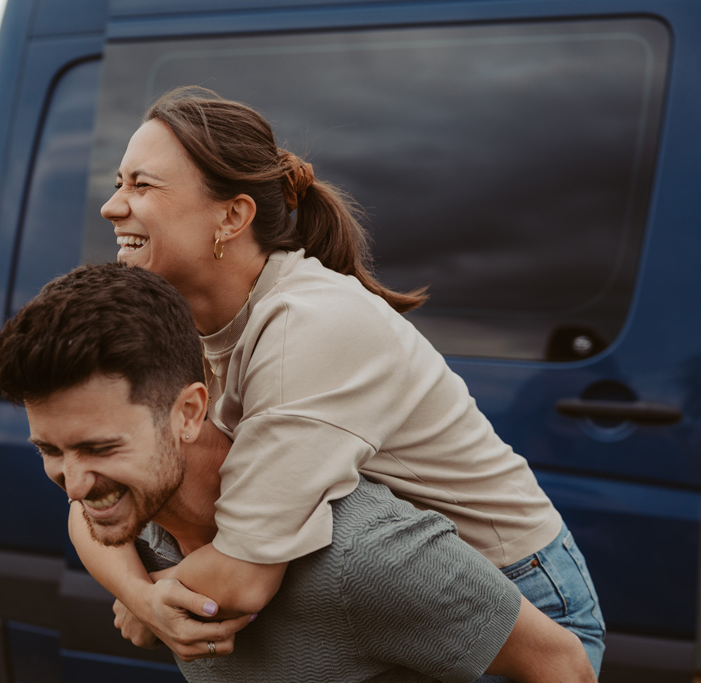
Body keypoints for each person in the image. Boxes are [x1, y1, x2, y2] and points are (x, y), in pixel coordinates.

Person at [78, 85, 607, 674]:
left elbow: (242, 575)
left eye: (141, 185)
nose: (112, 205)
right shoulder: (177, 320)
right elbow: (91, 491)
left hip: (511, 599)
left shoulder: (310, 324)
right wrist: (142, 596)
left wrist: (148, 598)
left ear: (231, 216)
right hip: (386, 591)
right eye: (118, 182)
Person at [0, 262, 596, 682]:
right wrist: (142, 599)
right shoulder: (135, 519)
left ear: (190, 413)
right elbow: (82, 513)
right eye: (51, 451)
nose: (74, 482)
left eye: (98, 448)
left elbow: (561, 665)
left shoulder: (368, 558)